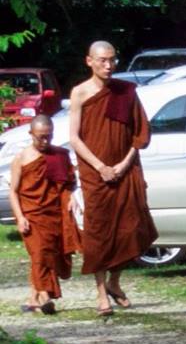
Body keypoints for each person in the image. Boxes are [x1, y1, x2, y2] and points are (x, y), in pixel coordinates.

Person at [68, 40, 155, 316]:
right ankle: (101, 292)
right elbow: (74, 138)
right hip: (95, 175)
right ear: (89, 61)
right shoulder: (80, 93)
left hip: (125, 170)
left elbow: (139, 134)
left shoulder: (126, 92)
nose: (109, 65)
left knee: (131, 228)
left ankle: (115, 282)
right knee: (99, 233)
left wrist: (122, 165)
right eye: (103, 60)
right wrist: (101, 167)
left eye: (113, 60)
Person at [8, 114, 81, 315]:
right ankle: (44, 295)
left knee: (50, 255)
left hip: (55, 213)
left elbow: (68, 182)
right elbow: (13, 191)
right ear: (31, 134)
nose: (45, 141)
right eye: (40, 137)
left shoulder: (60, 155)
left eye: (48, 136)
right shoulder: (21, 158)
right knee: (39, 254)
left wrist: (72, 197)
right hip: (31, 213)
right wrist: (20, 217)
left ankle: (34, 298)